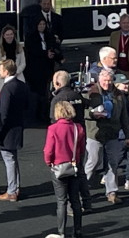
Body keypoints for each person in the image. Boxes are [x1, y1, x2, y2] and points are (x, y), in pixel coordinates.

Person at [84, 69, 129, 204]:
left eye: (109, 81)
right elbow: (83, 112)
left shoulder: (118, 95)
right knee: (92, 162)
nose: (107, 83)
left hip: (113, 133)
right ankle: (81, 189)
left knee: (113, 163)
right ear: (99, 80)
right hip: (95, 133)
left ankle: (112, 192)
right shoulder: (91, 92)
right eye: (104, 81)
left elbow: (124, 117)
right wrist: (93, 115)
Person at [49, 71, 93, 213]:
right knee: (80, 171)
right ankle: (87, 202)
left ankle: (70, 206)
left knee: (65, 174)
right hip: (79, 136)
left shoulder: (58, 99)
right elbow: (87, 104)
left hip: (63, 142)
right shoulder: (76, 96)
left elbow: (53, 120)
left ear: (57, 83)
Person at [44, 101, 85, 238]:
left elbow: (49, 150)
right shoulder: (77, 127)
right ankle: (78, 230)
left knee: (61, 201)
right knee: (75, 200)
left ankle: (62, 232)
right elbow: (81, 149)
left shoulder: (53, 129)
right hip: (74, 166)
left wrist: (49, 162)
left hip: (58, 167)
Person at [0, 59, 29, 202]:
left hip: (8, 129)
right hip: (18, 126)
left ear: (6, 71)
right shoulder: (21, 85)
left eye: (1, 69)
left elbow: (4, 112)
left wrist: (0, 130)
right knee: (13, 159)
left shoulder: (7, 88)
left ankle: (12, 191)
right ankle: (15, 187)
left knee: (9, 160)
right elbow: (27, 105)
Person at [25, 19, 62, 122]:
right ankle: (38, 113)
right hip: (36, 68)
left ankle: (45, 113)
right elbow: (32, 50)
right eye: (40, 24)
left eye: (43, 24)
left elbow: (53, 47)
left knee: (47, 91)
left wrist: (58, 56)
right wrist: (45, 53)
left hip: (47, 67)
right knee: (38, 92)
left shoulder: (48, 35)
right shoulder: (30, 37)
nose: (42, 26)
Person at [0, 25, 26, 92]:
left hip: (17, 75)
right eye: (7, 34)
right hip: (2, 77)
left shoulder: (19, 47)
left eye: (11, 34)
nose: (9, 36)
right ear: (3, 36)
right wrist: (6, 73)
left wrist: (16, 72)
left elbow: (23, 63)